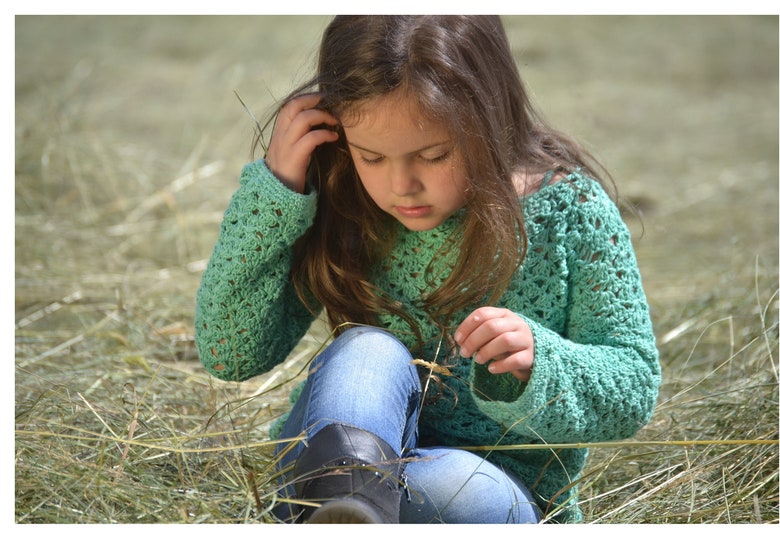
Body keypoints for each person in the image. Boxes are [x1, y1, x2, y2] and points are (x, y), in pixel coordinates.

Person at [195, 15, 661, 524]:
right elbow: (230, 353)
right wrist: (275, 193)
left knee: (461, 489)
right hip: (337, 450)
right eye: (371, 157)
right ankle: (341, 497)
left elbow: (633, 384)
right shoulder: (343, 199)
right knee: (369, 349)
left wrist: (539, 362)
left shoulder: (571, 211)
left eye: (433, 155)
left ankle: (335, 509)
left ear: (488, 120)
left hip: (492, 488)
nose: (402, 185)